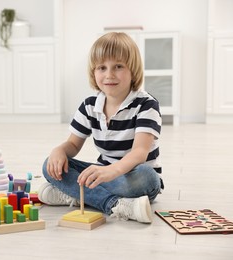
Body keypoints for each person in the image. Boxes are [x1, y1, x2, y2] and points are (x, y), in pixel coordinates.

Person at [37, 32, 163, 224]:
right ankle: (115, 205)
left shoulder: (146, 104)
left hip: (135, 178)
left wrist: (111, 171)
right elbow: (73, 144)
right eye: (102, 68)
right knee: (50, 164)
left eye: (118, 66)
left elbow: (140, 152)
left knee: (146, 177)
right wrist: (59, 151)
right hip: (105, 174)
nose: (109, 75)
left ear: (133, 70)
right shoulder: (90, 105)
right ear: (93, 72)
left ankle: (79, 194)